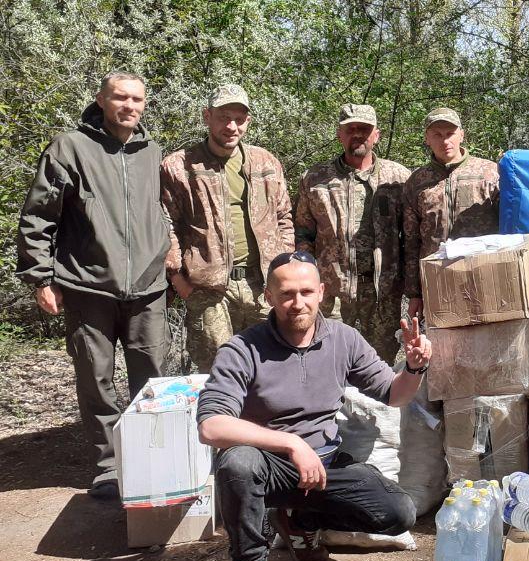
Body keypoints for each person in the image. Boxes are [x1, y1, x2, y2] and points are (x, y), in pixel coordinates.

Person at [197, 251, 425, 561]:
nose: (298, 302)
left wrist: (415, 368)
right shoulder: (242, 349)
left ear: (320, 292)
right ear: (268, 297)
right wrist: (291, 443)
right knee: (237, 462)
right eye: (286, 294)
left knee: (399, 512)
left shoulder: (344, 339)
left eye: (306, 292)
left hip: (325, 464)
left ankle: (300, 522)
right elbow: (211, 426)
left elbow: (394, 394)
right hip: (269, 466)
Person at [16, 71, 172, 500]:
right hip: (87, 288)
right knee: (96, 378)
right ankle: (109, 465)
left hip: (147, 290)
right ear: (101, 100)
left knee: (152, 380)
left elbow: (159, 214)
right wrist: (40, 276)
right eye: (120, 97)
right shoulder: (69, 147)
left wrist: (167, 257)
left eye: (137, 99)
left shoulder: (150, 151)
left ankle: (153, 458)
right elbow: (38, 216)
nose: (130, 106)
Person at [161, 84, 294, 372]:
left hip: (263, 286)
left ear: (249, 121)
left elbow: (284, 217)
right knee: (218, 372)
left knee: (272, 367)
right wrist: (178, 279)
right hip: (209, 290)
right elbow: (164, 225)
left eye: (240, 119)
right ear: (207, 116)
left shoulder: (265, 162)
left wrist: (285, 267)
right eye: (223, 117)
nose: (231, 126)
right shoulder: (179, 166)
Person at [294, 104, 411, 363]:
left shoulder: (399, 178)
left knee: (379, 369)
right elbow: (302, 233)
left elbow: (411, 236)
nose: (358, 134)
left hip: (382, 296)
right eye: (351, 129)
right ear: (340, 134)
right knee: (324, 363)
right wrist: (307, 280)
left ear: (376, 135)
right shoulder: (314, 179)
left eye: (364, 129)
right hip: (331, 296)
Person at [403, 106, 500, 321]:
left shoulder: (489, 173)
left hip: (483, 278)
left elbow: (509, 230)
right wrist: (414, 293)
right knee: (442, 349)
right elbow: (411, 242)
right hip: (437, 279)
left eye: (450, 134)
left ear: (462, 135)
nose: (444, 141)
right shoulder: (416, 182)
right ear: (427, 138)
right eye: (437, 135)